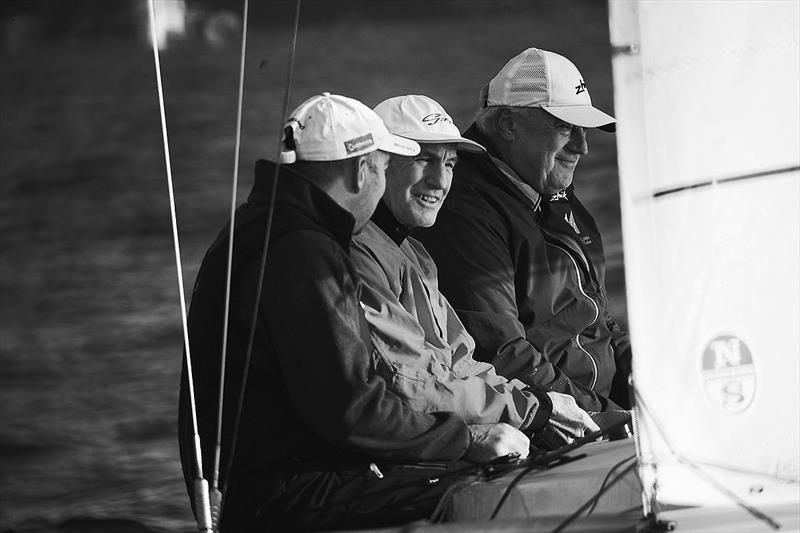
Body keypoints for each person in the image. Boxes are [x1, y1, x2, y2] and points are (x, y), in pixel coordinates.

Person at [178, 93, 538, 533]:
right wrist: (465, 440)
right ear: (359, 170)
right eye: (385, 169)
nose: (385, 183)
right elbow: (351, 409)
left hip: (272, 482)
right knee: (499, 497)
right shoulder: (303, 253)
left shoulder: (259, 228)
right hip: (288, 493)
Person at [350, 94, 600, 451]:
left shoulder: (415, 253)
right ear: (379, 165)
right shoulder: (360, 253)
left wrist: (537, 404)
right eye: (423, 160)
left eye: (450, 164)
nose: (439, 182)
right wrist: (530, 411)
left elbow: (459, 361)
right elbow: (407, 381)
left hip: (440, 432)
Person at [415, 48, 633, 413]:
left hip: (602, 413)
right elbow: (502, 352)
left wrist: (656, 387)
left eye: (584, 129)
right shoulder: (464, 212)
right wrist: (610, 418)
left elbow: (601, 319)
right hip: (559, 428)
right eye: (565, 127)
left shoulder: (547, 187)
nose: (583, 147)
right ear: (508, 125)